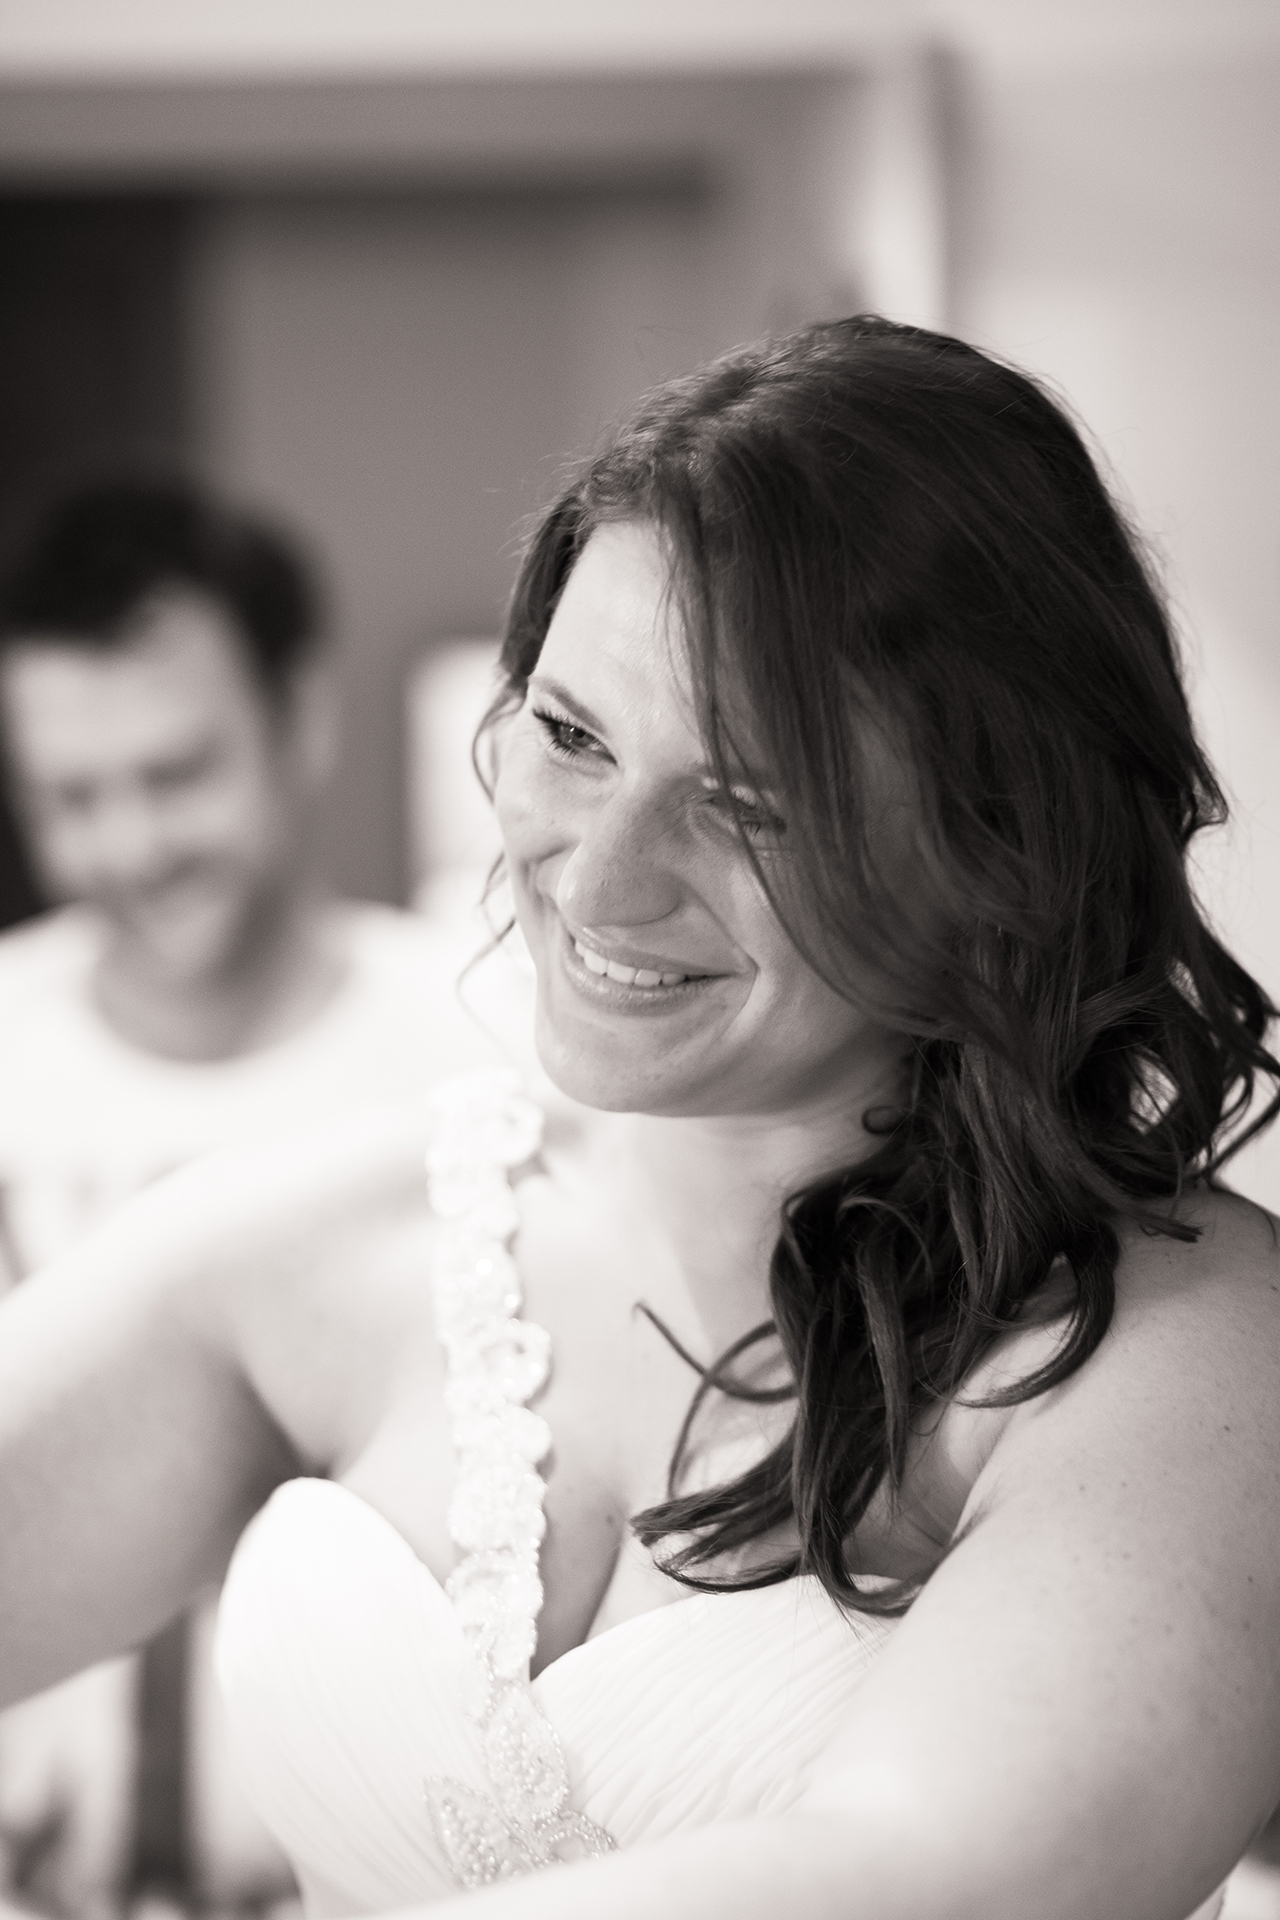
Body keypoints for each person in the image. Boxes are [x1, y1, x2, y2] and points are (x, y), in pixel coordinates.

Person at [0, 315, 1278, 1920]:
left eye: (747, 805)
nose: (598, 885)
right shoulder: (338, 1249)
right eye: (572, 736)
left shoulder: (1197, 1359)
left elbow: (928, 1879)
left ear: (997, 848)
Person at [0, 479, 526, 1920]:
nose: (127, 846)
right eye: (69, 797)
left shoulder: (487, 1053)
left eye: (176, 775)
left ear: (302, 717)